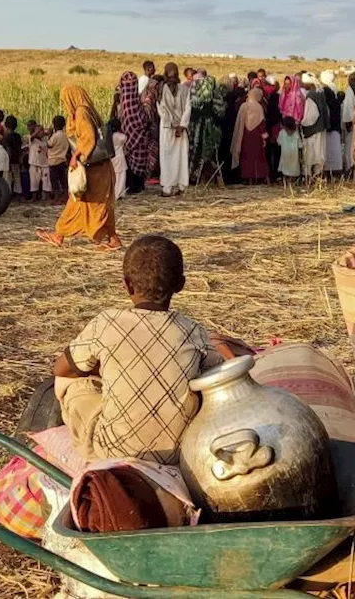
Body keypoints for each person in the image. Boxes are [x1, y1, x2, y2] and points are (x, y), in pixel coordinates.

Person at [52, 235, 222, 463]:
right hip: (180, 455)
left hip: (112, 452)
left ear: (126, 284)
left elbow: (60, 369)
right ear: (181, 284)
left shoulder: (105, 324)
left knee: (69, 381)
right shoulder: (193, 331)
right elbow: (217, 377)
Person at [36, 86, 121, 252]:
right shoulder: (87, 111)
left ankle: (59, 234)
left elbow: (88, 138)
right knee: (99, 203)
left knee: (81, 201)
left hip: (93, 168)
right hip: (99, 167)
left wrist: (75, 157)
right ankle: (113, 238)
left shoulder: (81, 113)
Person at [117, 71, 156, 195]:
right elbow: (143, 120)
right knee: (138, 164)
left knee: (131, 165)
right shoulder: (134, 101)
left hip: (129, 139)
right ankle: (136, 187)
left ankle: (133, 187)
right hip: (139, 140)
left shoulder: (124, 100)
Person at [157, 63, 192, 196]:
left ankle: (178, 186)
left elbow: (187, 108)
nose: (172, 79)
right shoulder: (163, 89)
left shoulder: (182, 89)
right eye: (170, 76)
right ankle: (169, 187)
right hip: (170, 128)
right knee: (170, 157)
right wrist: (176, 125)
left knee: (178, 157)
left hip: (176, 129)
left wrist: (180, 125)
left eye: (174, 76)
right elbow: (162, 109)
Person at [188, 74, 225, 187]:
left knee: (201, 155)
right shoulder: (216, 94)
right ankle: (214, 182)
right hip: (209, 131)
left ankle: (200, 180)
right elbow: (221, 112)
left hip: (201, 131)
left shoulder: (194, 93)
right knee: (210, 156)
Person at [231, 87, 269, 184]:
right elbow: (261, 124)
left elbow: (239, 122)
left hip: (245, 134)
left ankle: (247, 178)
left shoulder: (244, 106)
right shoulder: (259, 107)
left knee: (246, 156)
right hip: (256, 136)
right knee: (257, 156)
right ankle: (257, 177)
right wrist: (265, 137)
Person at [300, 73, 328, 179]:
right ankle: (319, 176)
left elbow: (311, 116)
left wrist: (302, 123)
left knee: (311, 154)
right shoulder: (320, 92)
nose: (303, 85)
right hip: (321, 128)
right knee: (320, 153)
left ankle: (310, 177)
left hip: (313, 129)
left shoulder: (311, 95)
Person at [318, 71, 345, 176]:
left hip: (329, 125)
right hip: (335, 123)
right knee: (334, 149)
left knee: (329, 149)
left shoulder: (325, 90)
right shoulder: (333, 89)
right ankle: (335, 170)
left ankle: (330, 170)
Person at [46, 115, 71, 204]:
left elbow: (49, 144)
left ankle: (56, 199)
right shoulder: (65, 135)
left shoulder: (55, 136)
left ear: (54, 125)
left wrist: (49, 134)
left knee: (54, 181)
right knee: (63, 180)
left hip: (53, 161)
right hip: (62, 160)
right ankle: (65, 198)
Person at [25, 124, 51, 202]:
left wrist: (46, 133)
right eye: (40, 131)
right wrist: (37, 131)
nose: (42, 132)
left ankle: (46, 196)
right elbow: (32, 136)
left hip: (44, 163)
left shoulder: (44, 141)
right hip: (34, 163)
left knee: (46, 180)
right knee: (34, 181)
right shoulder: (32, 140)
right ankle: (34, 197)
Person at [3, 115, 24, 197]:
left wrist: (7, 161)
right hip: (16, 160)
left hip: (9, 160)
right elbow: (19, 149)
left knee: (8, 179)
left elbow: (8, 150)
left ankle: (8, 195)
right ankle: (18, 195)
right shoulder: (17, 136)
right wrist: (20, 159)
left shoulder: (6, 137)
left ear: (5, 125)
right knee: (17, 178)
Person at [277, 116, 303, 183]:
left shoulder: (282, 133)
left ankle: (286, 182)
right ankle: (293, 182)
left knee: (285, 168)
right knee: (294, 169)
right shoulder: (296, 133)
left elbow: (279, 142)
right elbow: (300, 145)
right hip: (294, 154)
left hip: (285, 154)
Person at [109, 117, 129, 202]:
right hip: (120, 157)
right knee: (121, 176)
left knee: (113, 176)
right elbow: (125, 139)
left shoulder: (109, 137)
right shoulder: (121, 136)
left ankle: (113, 193)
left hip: (112, 158)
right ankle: (119, 193)